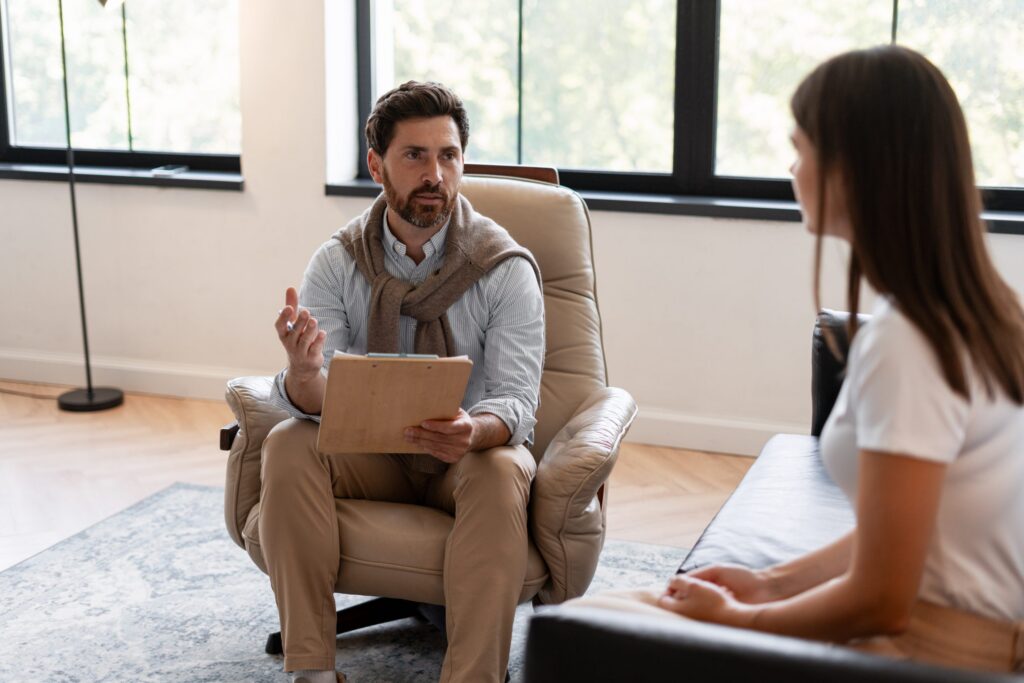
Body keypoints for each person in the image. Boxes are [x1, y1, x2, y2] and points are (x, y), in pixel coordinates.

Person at [567, 46, 1024, 673]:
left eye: (802, 147)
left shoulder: (908, 344)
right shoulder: (977, 312)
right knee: (608, 616)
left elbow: (882, 601)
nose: (791, 166)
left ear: (855, 169)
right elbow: (910, 534)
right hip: (960, 632)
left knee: (587, 631)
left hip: (932, 650)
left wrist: (741, 619)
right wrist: (772, 585)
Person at [259, 81, 545, 683]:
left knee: (502, 469)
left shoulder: (505, 266)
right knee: (289, 441)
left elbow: (519, 401)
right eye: (414, 155)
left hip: (465, 459)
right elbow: (318, 403)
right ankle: (311, 670)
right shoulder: (337, 263)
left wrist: (474, 430)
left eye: (448, 156)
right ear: (376, 165)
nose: (434, 174)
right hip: (373, 457)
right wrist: (304, 373)